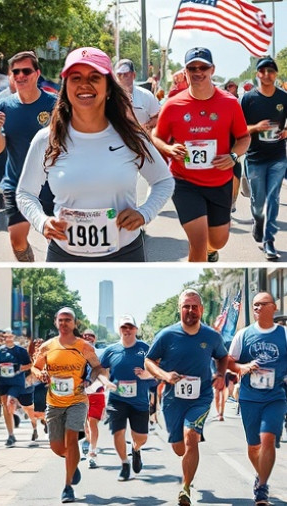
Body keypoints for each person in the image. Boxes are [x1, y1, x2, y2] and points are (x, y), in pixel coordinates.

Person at [17, 47, 174, 262]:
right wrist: (41, 222)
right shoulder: (47, 139)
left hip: (125, 253)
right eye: (76, 78)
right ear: (66, 87)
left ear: (108, 87)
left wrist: (145, 213)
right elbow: (25, 193)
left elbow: (163, 181)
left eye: (94, 77)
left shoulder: (131, 137)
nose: (84, 84)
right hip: (64, 255)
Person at [152, 47, 250, 262]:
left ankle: (210, 250)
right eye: (192, 68)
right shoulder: (173, 105)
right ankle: (197, 260)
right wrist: (168, 149)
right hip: (184, 182)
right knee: (198, 240)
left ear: (212, 70)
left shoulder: (229, 103)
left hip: (219, 183)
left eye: (203, 67)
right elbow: (156, 136)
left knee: (218, 241)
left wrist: (233, 157)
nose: (198, 72)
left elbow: (244, 138)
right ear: (185, 71)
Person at [144, 289, 228, 506]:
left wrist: (220, 375)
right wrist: (165, 376)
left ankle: (185, 488)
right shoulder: (166, 335)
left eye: (194, 306)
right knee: (179, 447)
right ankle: (187, 448)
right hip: (173, 400)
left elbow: (222, 356)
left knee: (191, 437)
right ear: (179, 309)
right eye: (186, 306)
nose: (190, 310)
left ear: (201, 309)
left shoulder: (211, 336)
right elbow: (149, 361)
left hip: (201, 397)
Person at [31, 307, 103, 503]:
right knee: (56, 447)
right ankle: (73, 461)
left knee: (71, 439)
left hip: (77, 400)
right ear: (56, 322)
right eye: (61, 320)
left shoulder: (84, 346)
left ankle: (68, 487)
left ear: (74, 323)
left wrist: (89, 380)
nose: (64, 323)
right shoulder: (47, 346)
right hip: (54, 402)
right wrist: (40, 374)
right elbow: (35, 367)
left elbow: (97, 367)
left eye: (68, 320)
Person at [0, 51, 57, 262]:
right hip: (17, 183)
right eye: (16, 72)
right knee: (17, 241)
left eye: (26, 71)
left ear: (37, 74)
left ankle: (52, 265)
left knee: (56, 238)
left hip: (51, 183)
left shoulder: (54, 104)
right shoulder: (2, 106)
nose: (20, 76)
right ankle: (30, 268)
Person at [228, 292, 287, 506]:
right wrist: (244, 367)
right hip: (249, 398)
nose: (258, 308)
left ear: (274, 307)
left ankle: (262, 489)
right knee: (254, 446)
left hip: (275, 396)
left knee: (268, 438)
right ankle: (260, 475)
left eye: (262, 304)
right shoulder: (243, 335)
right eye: (255, 305)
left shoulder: (284, 334)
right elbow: (229, 362)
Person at [240, 57, 287, 260]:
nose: (267, 75)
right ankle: (258, 220)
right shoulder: (248, 99)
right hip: (255, 157)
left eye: (271, 71)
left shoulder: (284, 97)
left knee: (273, 198)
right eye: (263, 71)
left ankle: (269, 241)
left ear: (276, 74)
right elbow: (238, 129)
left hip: (278, 157)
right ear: (257, 74)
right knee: (258, 201)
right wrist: (256, 128)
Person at [98, 315, 154, 482]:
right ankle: (124, 464)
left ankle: (136, 449)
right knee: (118, 432)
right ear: (119, 330)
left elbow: (157, 369)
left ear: (136, 329)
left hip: (139, 401)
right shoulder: (111, 350)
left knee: (141, 438)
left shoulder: (146, 349)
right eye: (124, 327)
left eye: (130, 327)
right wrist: (106, 382)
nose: (127, 330)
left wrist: (146, 374)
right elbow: (99, 371)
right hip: (117, 400)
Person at [0, 330, 38, 446]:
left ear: (14, 337)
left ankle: (34, 424)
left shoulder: (21, 351)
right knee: (6, 405)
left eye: (10, 336)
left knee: (23, 406)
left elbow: (30, 365)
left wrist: (18, 368)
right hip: (3, 382)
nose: (8, 338)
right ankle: (11, 435)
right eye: (6, 336)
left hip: (17, 383)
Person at [79, 330, 105, 469]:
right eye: (85, 336)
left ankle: (92, 453)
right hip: (81, 394)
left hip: (96, 393)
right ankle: (87, 442)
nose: (88, 337)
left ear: (95, 339)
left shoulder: (101, 354)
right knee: (86, 425)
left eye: (91, 336)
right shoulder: (76, 353)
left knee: (92, 423)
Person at [114, 59, 160, 130]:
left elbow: (157, 117)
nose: (122, 77)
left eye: (126, 74)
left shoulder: (146, 95)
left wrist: (145, 127)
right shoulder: (109, 97)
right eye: (119, 74)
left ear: (134, 75)